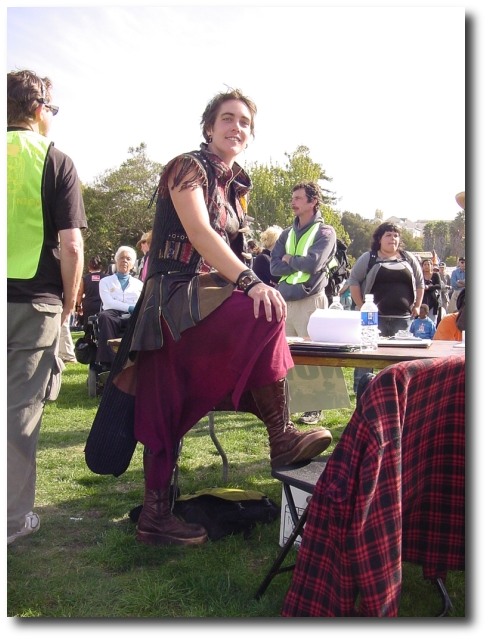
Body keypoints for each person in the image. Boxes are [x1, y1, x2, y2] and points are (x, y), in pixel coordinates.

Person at [86, 88, 333, 547]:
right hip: (171, 301)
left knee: (172, 400)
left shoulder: (235, 188)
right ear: (209, 127)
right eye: (227, 118)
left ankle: (159, 514)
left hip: (205, 303)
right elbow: (200, 233)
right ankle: (276, 438)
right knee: (255, 319)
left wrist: (250, 280)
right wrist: (252, 282)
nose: (237, 127)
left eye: (245, 122)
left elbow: (230, 252)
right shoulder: (187, 167)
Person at [7, 70, 87, 546]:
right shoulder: (55, 160)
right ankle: (13, 520)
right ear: (40, 111)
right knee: (19, 413)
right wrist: (70, 303)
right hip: (34, 304)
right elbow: (72, 245)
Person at [270, 181, 337, 425]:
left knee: (313, 354)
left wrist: (289, 259)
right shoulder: (286, 233)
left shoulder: (325, 232)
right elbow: (273, 267)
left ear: (313, 202)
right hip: (286, 301)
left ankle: (314, 409)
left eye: (298, 198)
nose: (293, 202)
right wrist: (295, 261)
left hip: (311, 300)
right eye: (293, 197)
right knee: (286, 355)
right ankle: (286, 406)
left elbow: (314, 263)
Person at [349, 222, 424, 393]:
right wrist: (361, 306)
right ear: (379, 239)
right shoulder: (369, 258)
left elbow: (420, 283)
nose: (393, 239)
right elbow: (353, 280)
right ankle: (362, 397)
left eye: (396, 235)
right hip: (373, 321)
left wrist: (418, 305)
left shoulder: (408, 258)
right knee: (366, 361)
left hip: (402, 321)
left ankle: (395, 397)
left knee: (399, 363)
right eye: (388, 235)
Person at [95, 246, 143, 368]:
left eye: (128, 259)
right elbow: (108, 303)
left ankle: (137, 358)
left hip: (132, 315)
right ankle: (109, 362)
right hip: (112, 314)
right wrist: (129, 308)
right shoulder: (105, 281)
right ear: (116, 261)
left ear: (132, 264)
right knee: (104, 317)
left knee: (143, 318)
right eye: (122, 258)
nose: (124, 261)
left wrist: (133, 310)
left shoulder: (139, 284)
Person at [76, 255, 109, 332]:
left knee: (88, 327)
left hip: (89, 306)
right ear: (100, 267)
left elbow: (80, 293)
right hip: (102, 306)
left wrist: (78, 306)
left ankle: (88, 338)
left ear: (89, 267)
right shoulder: (106, 278)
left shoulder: (84, 278)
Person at [421, 258, 442, 324]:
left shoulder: (435, 275)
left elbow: (439, 286)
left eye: (428, 264)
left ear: (432, 266)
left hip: (433, 301)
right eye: (425, 264)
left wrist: (429, 287)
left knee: (432, 322)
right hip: (422, 300)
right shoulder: (420, 275)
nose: (426, 266)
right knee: (422, 321)